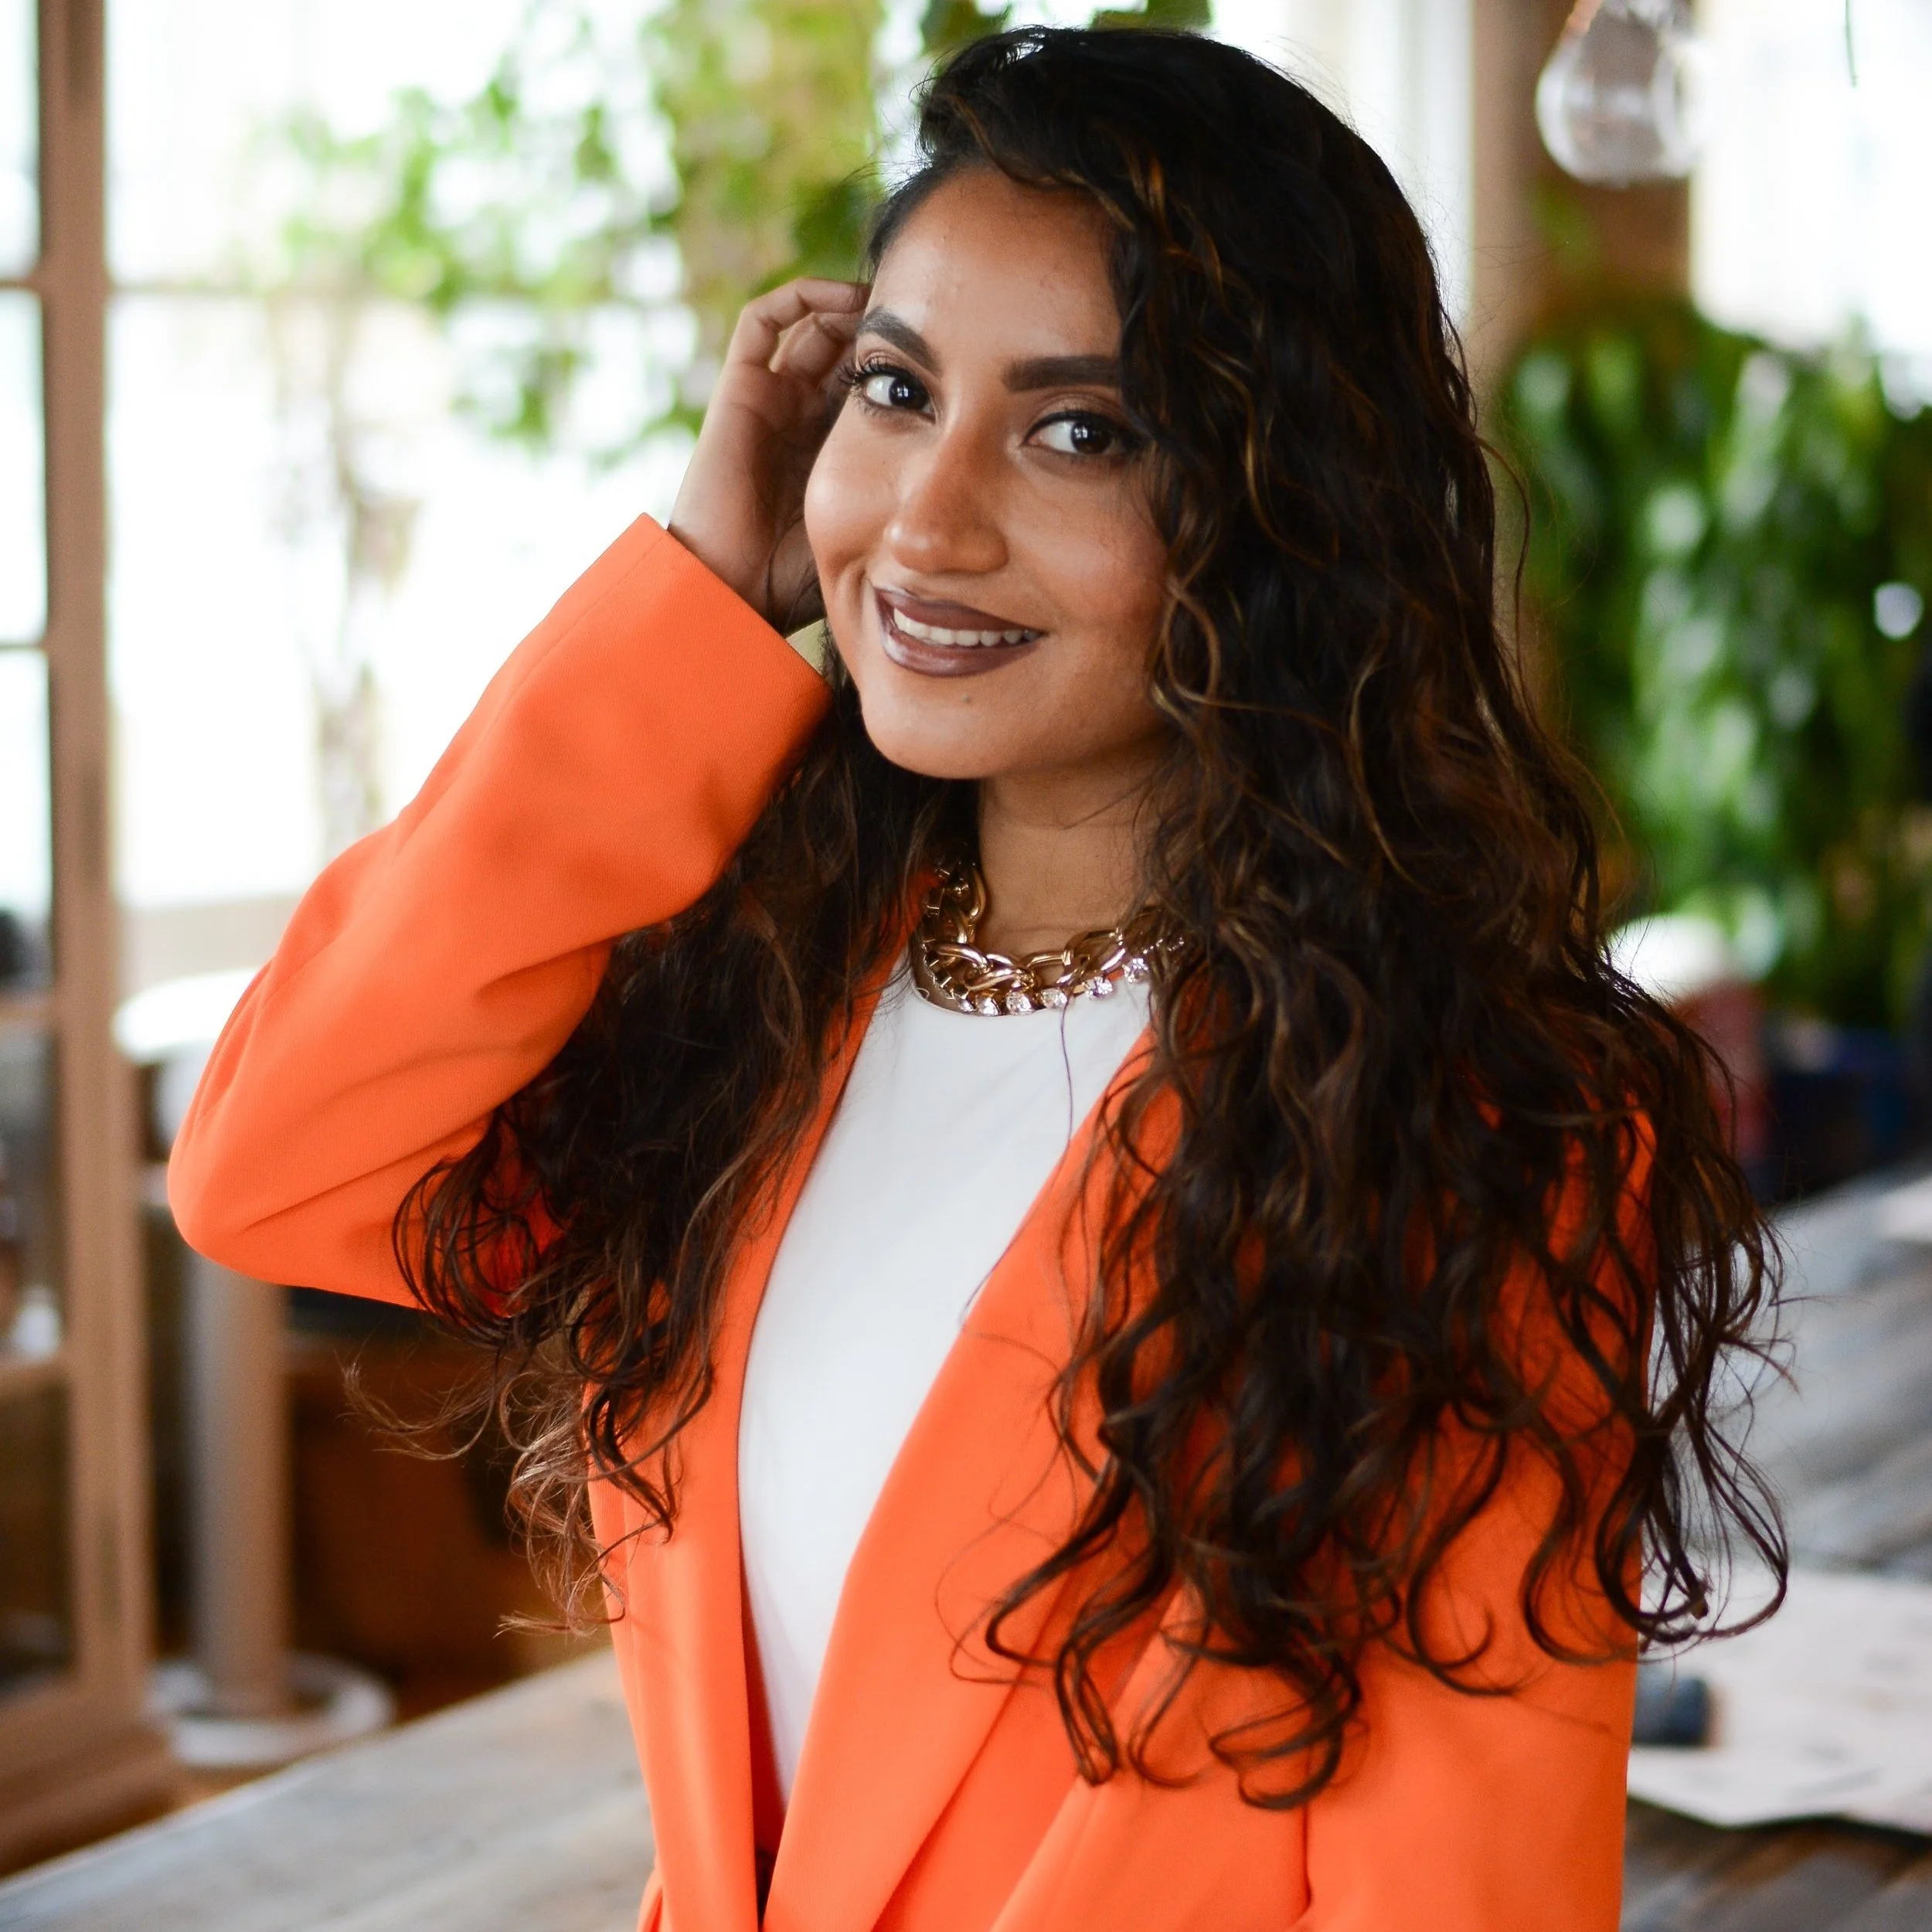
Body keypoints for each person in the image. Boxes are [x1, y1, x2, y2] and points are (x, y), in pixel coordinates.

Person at [169, 27, 1780, 1931]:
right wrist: (700, 579)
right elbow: (268, 1160)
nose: (925, 523)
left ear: (1276, 506)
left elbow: (1461, 1896)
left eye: (1078, 427)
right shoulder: (759, 1013)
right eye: (894, 391)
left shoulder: (1462, 1122)